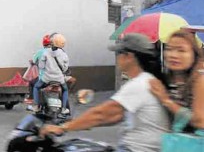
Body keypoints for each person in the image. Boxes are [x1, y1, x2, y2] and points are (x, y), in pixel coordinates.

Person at [41, 33, 170, 152]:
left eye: (118, 53)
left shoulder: (139, 84)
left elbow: (101, 114)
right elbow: (115, 116)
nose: (117, 57)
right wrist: (80, 124)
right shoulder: (148, 80)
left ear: (129, 56)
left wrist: (62, 128)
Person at [149, 30, 204, 132]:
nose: (173, 55)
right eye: (169, 49)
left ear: (194, 55)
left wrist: (166, 100)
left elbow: (200, 121)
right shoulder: (165, 79)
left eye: (181, 50)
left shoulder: (200, 80)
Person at [33, 33, 70, 115]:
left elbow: (41, 66)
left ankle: (36, 105)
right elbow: (65, 68)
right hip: (59, 79)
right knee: (65, 90)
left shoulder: (45, 53)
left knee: (36, 87)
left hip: (46, 78)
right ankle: (64, 108)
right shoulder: (64, 54)